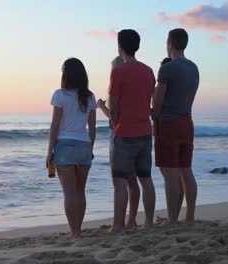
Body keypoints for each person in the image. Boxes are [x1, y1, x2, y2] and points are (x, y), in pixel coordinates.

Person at [109, 29, 156, 233]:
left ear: (120, 47)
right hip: (145, 131)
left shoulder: (118, 72)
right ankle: (148, 223)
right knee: (146, 179)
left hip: (125, 132)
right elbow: (148, 99)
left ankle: (118, 225)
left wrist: (116, 123)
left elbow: (114, 106)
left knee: (120, 182)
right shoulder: (148, 71)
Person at [152, 28, 199, 225]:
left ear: (169, 44)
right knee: (186, 171)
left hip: (169, 124)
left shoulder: (167, 68)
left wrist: (152, 115)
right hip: (187, 122)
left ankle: (172, 219)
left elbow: (159, 101)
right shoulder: (194, 67)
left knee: (170, 173)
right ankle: (189, 216)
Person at [46, 58, 97, 238]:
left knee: (69, 193)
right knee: (80, 191)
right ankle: (79, 229)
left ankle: (73, 231)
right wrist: (90, 148)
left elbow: (55, 124)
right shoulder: (89, 96)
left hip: (65, 146)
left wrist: (49, 150)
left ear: (65, 74)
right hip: (83, 145)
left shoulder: (60, 95)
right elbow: (92, 128)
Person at [97, 56, 140, 229]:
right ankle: (132, 219)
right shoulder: (134, 87)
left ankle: (120, 222)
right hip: (136, 133)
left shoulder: (117, 85)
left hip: (117, 136)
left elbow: (113, 116)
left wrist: (101, 106)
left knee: (120, 181)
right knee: (132, 180)